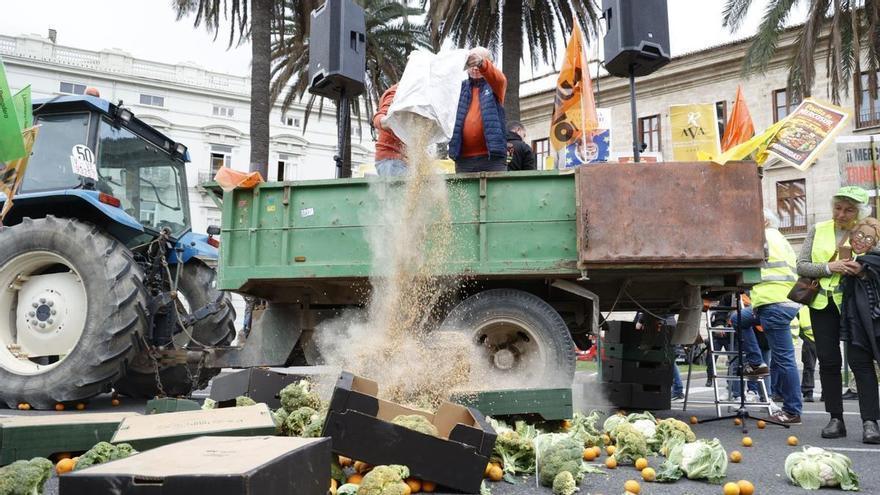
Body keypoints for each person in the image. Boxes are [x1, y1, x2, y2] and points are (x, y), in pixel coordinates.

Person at [797, 185, 871, 438]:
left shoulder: (869, 233)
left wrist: (861, 270)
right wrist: (831, 267)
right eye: (838, 208)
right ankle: (835, 419)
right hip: (823, 304)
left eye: (849, 210)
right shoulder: (818, 230)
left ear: (860, 213)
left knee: (861, 362)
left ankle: (870, 422)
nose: (841, 214)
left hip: (856, 305)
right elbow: (802, 266)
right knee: (828, 361)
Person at [735, 209, 803, 424]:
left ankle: (792, 411)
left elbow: (750, 265)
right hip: (778, 301)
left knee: (784, 359)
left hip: (774, 303)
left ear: (763, 220)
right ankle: (757, 362)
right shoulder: (780, 238)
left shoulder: (763, 237)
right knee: (738, 319)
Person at [839, 217, 880, 443]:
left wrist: (862, 268)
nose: (861, 240)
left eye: (867, 237)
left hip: (876, 324)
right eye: (858, 236)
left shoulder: (872, 259)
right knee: (863, 372)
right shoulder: (851, 259)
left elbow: (868, 265)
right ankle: (869, 424)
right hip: (857, 327)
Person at [448, 47, 508, 173]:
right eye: (471, 63)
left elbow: (500, 79)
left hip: (492, 159)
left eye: (478, 63)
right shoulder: (459, 88)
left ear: (490, 64)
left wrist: (482, 63)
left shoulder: (495, 86)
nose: (475, 67)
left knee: (497, 193)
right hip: (463, 160)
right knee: (464, 193)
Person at [372, 84, 407, 176]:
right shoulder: (398, 91)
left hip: (404, 162)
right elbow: (379, 117)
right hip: (392, 161)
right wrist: (388, 122)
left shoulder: (419, 95)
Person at [795, 306, 818, 402]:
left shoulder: (802, 309)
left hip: (819, 339)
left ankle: (825, 393)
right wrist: (804, 337)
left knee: (827, 367)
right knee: (809, 367)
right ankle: (808, 392)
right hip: (809, 340)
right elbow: (797, 325)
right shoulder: (802, 310)